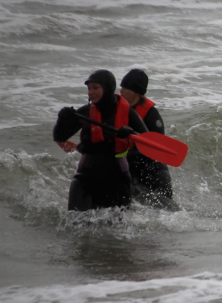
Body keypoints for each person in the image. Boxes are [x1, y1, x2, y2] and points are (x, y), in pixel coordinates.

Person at [53, 69, 148, 211]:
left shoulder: (128, 112)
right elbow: (59, 137)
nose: (90, 92)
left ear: (107, 88)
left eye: (95, 88)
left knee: (116, 229)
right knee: (75, 223)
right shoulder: (85, 112)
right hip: (85, 179)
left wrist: (131, 132)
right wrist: (62, 120)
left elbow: (146, 143)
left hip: (118, 181)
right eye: (89, 88)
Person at [119, 68, 176, 207]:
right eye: (121, 87)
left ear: (136, 92)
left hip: (154, 174)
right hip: (131, 171)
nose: (121, 91)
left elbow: (156, 150)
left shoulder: (151, 115)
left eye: (126, 88)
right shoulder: (118, 108)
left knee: (166, 211)